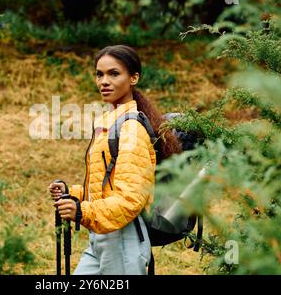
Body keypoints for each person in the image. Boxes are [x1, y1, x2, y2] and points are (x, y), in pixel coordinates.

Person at [48, 45, 182, 275]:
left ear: (134, 78)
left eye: (114, 73)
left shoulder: (131, 128)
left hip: (123, 239)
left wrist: (81, 212)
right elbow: (106, 186)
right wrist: (73, 194)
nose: (104, 81)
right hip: (102, 236)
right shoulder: (109, 123)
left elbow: (131, 199)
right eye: (99, 74)